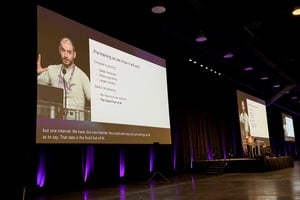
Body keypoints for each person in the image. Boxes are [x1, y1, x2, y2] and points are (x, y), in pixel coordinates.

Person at [37, 37, 90, 121]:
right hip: (56, 123)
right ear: (59, 51)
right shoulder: (51, 70)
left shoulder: (82, 76)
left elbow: (93, 99)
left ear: (74, 55)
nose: (65, 55)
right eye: (63, 50)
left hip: (77, 127)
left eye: (69, 52)